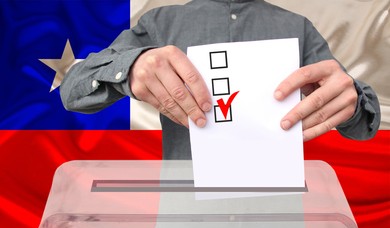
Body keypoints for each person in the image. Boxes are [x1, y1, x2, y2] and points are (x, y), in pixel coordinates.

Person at [60, 0, 380, 160]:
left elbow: (364, 123)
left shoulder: (299, 26)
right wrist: (131, 66)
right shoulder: (161, 22)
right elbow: (72, 91)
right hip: (184, 225)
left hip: (276, 224)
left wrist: (350, 99)